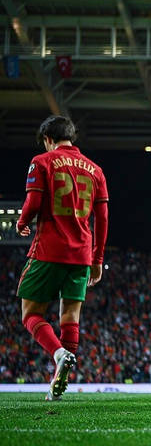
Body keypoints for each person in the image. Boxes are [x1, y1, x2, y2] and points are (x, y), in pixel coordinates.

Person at [15, 115, 109, 401]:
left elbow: (33, 201)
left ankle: (58, 354)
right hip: (81, 254)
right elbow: (102, 218)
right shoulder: (96, 170)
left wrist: (21, 222)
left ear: (47, 139)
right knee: (70, 316)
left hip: (49, 249)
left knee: (30, 314)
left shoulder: (42, 161)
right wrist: (97, 259)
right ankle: (60, 375)